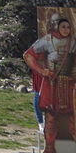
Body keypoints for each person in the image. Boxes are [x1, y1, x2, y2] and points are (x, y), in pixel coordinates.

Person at [24, 17, 76, 153]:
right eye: (63, 26)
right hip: (52, 84)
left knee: (72, 119)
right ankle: (49, 148)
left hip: (69, 85)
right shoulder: (47, 40)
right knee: (51, 118)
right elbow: (28, 55)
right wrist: (42, 71)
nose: (66, 30)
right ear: (57, 27)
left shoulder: (73, 42)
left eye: (68, 27)